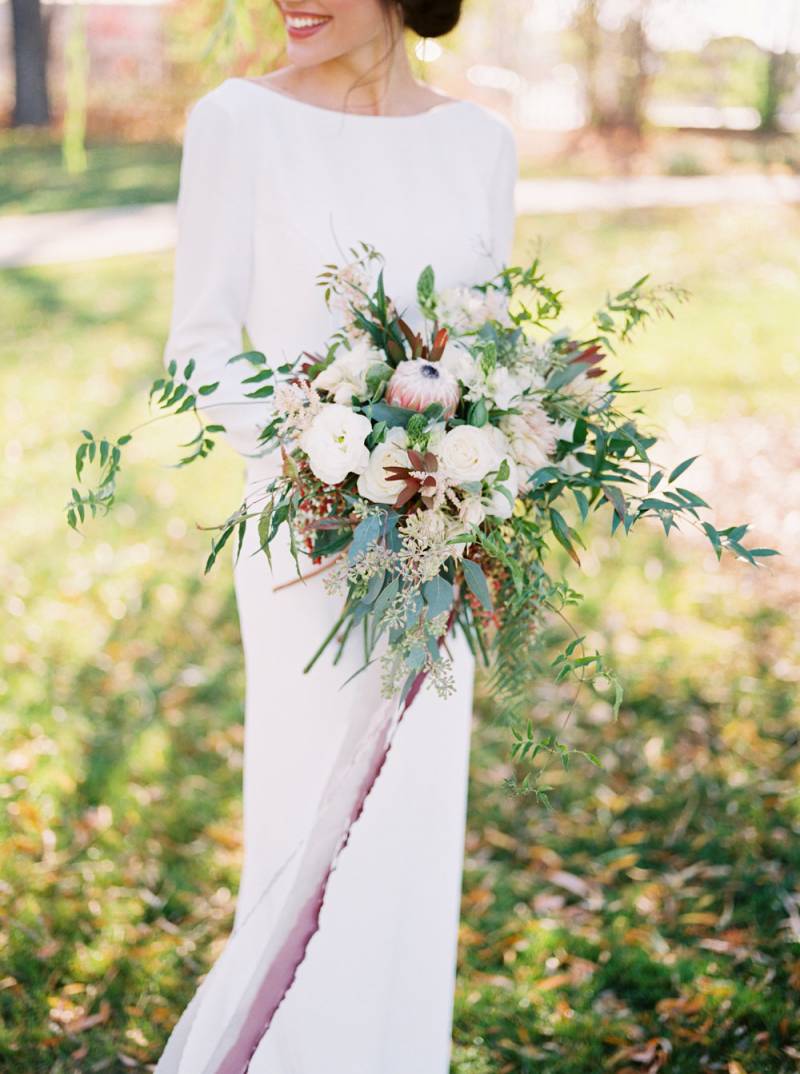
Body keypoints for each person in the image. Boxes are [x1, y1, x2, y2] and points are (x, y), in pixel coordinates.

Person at [155, 2, 518, 1071]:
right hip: (303, 546)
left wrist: (478, 458)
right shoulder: (236, 122)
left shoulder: (479, 143)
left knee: (405, 835)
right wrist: (315, 454)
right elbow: (202, 347)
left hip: (435, 542)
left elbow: (485, 347)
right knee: (309, 823)